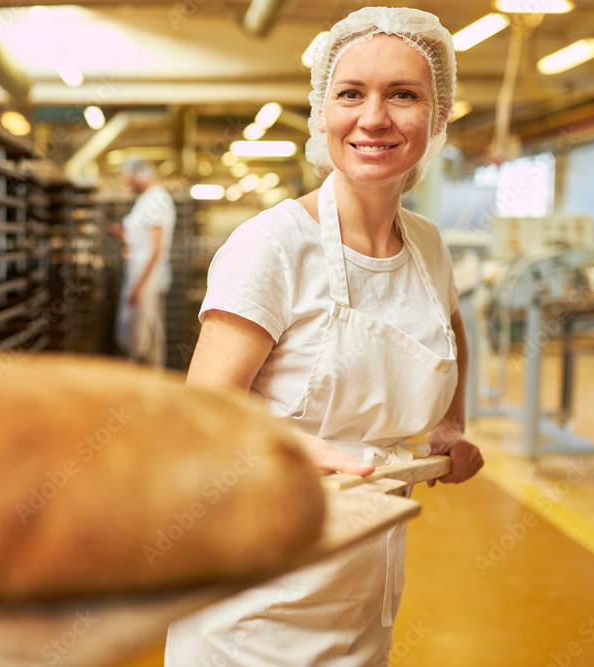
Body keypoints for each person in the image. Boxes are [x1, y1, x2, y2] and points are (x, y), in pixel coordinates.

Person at [165, 7, 484, 666]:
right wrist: (299, 451)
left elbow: (450, 325)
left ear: (438, 113)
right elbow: (204, 411)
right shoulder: (274, 247)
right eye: (351, 94)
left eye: (403, 94)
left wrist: (450, 425)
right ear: (321, 113)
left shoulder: (425, 243)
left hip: (365, 582)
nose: (374, 118)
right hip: (253, 591)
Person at [113, 159, 176, 366]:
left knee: (142, 331)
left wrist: (139, 286)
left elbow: (156, 249)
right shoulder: (146, 199)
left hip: (148, 274)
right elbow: (140, 237)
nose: (128, 184)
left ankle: (146, 382)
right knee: (147, 329)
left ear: (140, 175)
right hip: (140, 271)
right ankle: (149, 378)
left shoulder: (158, 200)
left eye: (130, 180)